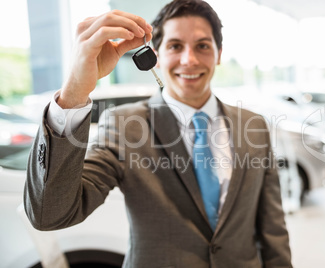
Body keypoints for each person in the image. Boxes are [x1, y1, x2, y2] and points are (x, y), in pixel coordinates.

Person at [24, 0, 292, 267]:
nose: (189, 59)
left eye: (202, 46)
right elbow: (49, 214)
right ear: (156, 54)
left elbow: (273, 230)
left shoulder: (254, 125)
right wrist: (73, 93)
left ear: (219, 53)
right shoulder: (124, 125)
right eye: (175, 46)